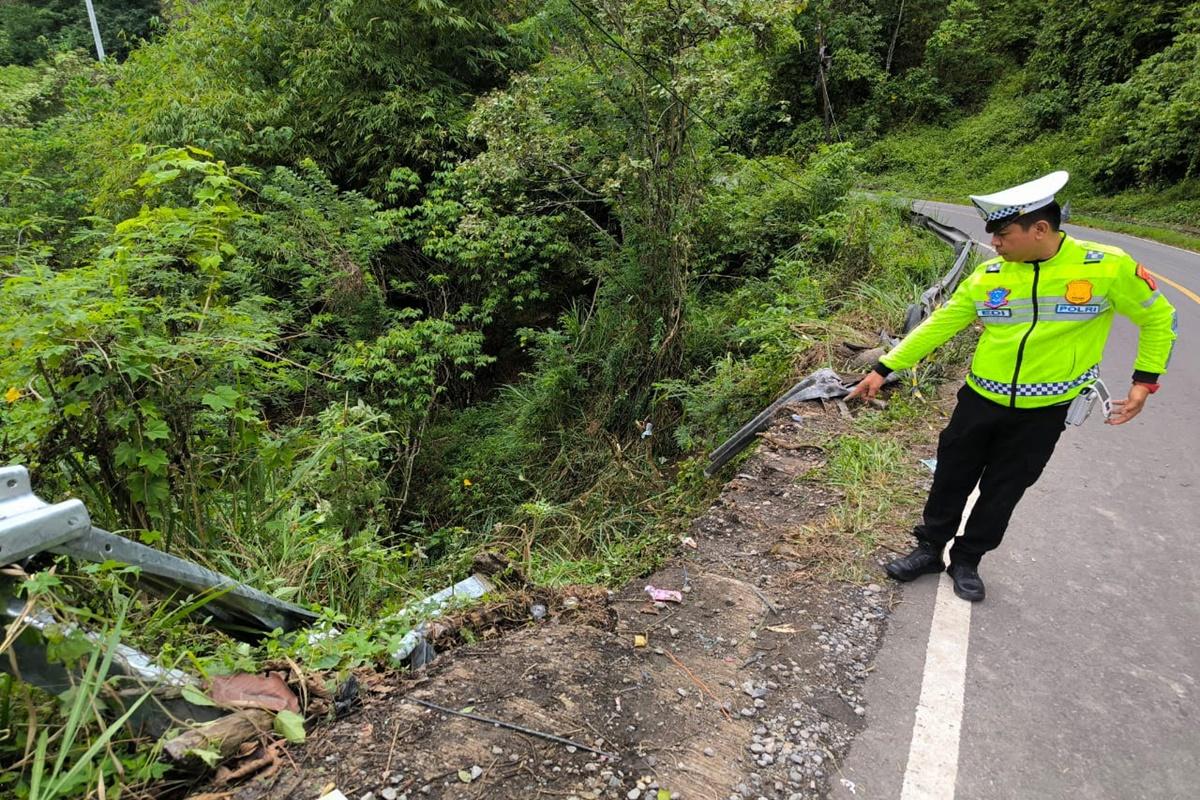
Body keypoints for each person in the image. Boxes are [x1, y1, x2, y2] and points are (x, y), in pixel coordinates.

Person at [846, 171, 1178, 601]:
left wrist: (1144, 381)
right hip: (980, 399)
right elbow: (939, 325)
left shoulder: (1107, 267)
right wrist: (884, 368)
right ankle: (929, 549)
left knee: (1006, 486)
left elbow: (1160, 319)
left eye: (1003, 235)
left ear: (1040, 229)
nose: (996, 244)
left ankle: (967, 560)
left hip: (1046, 410)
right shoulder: (991, 276)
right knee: (951, 474)